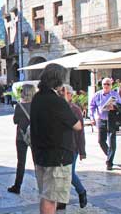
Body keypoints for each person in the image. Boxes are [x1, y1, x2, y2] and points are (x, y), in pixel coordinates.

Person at [30, 63, 82, 214]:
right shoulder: (57, 101)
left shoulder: (37, 98)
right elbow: (77, 125)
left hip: (40, 154)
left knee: (46, 195)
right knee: (51, 198)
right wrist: (65, 102)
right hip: (57, 156)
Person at [57, 85, 87, 210]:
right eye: (60, 93)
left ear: (70, 95)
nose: (61, 95)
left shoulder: (75, 109)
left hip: (72, 146)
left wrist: (82, 151)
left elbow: (80, 132)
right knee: (60, 174)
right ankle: (62, 201)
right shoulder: (56, 108)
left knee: (68, 174)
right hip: (59, 146)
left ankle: (81, 191)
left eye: (64, 93)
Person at [89, 77, 121, 170]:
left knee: (112, 141)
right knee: (101, 141)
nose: (106, 86)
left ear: (111, 85)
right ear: (102, 85)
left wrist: (114, 107)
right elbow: (91, 107)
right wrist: (92, 118)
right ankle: (109, 154)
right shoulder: (97, 95)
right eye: (105, 84)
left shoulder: (115, 94)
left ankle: (109, 162)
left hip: (112, 119)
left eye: (108, 84)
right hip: (101, 119)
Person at [8, 84, 36, 194]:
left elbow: (15, 121)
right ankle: (42, 186)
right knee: (37, 162)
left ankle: (17, 186)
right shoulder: (36, 105)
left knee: (21, 162)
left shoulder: (19, 106)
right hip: (35, 136)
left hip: (21, 136)